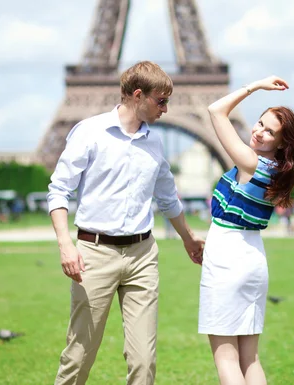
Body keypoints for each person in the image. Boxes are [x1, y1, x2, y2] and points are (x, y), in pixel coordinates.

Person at [47, 61, 205, 385]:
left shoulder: (154, 144)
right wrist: (66, 244)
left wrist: (189, 238)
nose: (166, 108)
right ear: (138, 95)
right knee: (80, 355)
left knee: (144, 361)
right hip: (94, 255)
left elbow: (168, 198)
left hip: (142, 255)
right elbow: (59, 189)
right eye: (161, 101)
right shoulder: (89, 132)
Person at [198, 76, 294, 385]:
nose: (257, 131)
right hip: (253, 259)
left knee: (226, 358)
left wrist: (255, 86)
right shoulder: (275, 170)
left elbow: (216, 110)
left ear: (282, 143)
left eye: (269, 131)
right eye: (259, 123)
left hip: (228, 260)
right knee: (250, 359)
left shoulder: (251, 162)